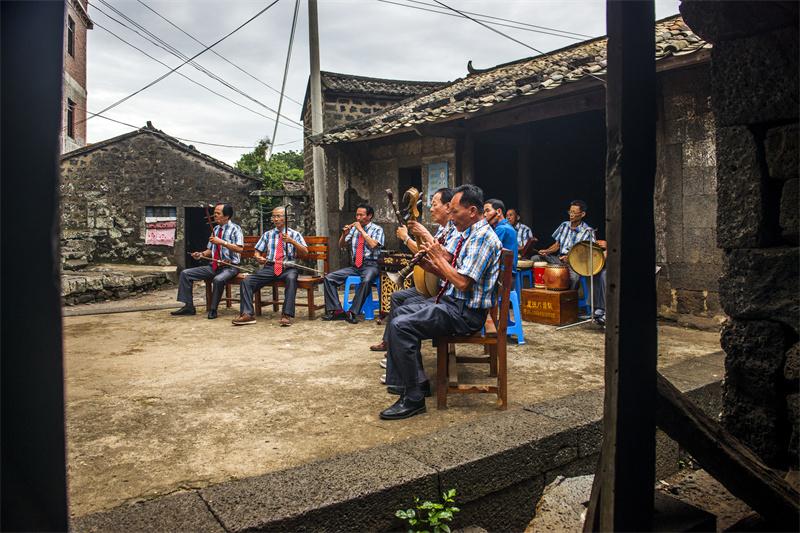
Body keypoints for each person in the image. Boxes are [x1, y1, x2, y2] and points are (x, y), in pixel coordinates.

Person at [380, 184, 502, 420]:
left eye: (455, 211)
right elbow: (452, 262)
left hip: (464, 314)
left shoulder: (483, 238)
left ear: (472, 211)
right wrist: (430, 263)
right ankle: (416, 384)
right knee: (399, 313)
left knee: (401, 326)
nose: (451, 216)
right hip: (450, 303)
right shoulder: (470, 233)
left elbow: (462, 282)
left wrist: (437, 257)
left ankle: (413, 398)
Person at [373, 188, 458, 397]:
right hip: (439, 289)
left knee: (404, 313)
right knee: (397, 298)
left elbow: (448, 263)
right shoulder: (444, 231)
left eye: (435, 203)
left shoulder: (458, 232)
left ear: (450, 207)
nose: (431, 207)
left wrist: (407, 238)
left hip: (445, 294)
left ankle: (406, 372)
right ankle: (396, 355)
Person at [231, 207, 308, 327]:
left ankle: (286, 315)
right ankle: (247, 314)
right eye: (274, 216)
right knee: (247, 281)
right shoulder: (268, 234)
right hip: (270, 267)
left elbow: (305, 252)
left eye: (279, 216)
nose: (276, 219)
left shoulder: (295, 234)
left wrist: (292, 241)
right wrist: (258, 257)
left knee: (292, 279)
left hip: (288, 268)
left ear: (286, 218)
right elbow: (257, 251)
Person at [533, 199, 606, 324]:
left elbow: (588, 254)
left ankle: (567, 306)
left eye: (574, 212)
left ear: (582, 214)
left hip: (574, 263)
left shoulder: (587, 231)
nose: (571, 214)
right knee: (536, 259)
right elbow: (557, 245)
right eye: (570, 212)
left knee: (574, 278)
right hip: (558, 258)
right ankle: (545, 299)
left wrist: (570, 257)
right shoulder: (564, 225)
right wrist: (547, 251)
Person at [171, 203, 243, 319]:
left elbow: (239, 249)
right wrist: (201, 254)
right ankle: (188, 306)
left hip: (230, 267)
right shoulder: (215, 229)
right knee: (185, 273)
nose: (215, 215)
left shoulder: (236, 229)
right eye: (214, 213)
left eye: (218, 213)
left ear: (226, 216)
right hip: (213, 266)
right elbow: (210, 250)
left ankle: (213, 309)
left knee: (218, 279)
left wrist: (222, 242)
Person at [322, 204, 385, 324]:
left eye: (361, 215)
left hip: (371, 265)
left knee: (366, 281)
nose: (358, 218)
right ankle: (336, 311)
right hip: (356, 266)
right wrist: (344, 234)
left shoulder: (377, 229)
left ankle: (353, 312)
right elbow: (341, 245)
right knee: (329, 278)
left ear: (369, 216)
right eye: (357, 215)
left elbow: (373, 245)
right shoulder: (354, 229)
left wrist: (361, 230)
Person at [483, 198, 518, 271]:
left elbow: (487, 252)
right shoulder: (507, 226)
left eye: (487, 211)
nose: (485, 215)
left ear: (498, 211)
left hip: (503, 273)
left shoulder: (501, 228)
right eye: (484, 212)